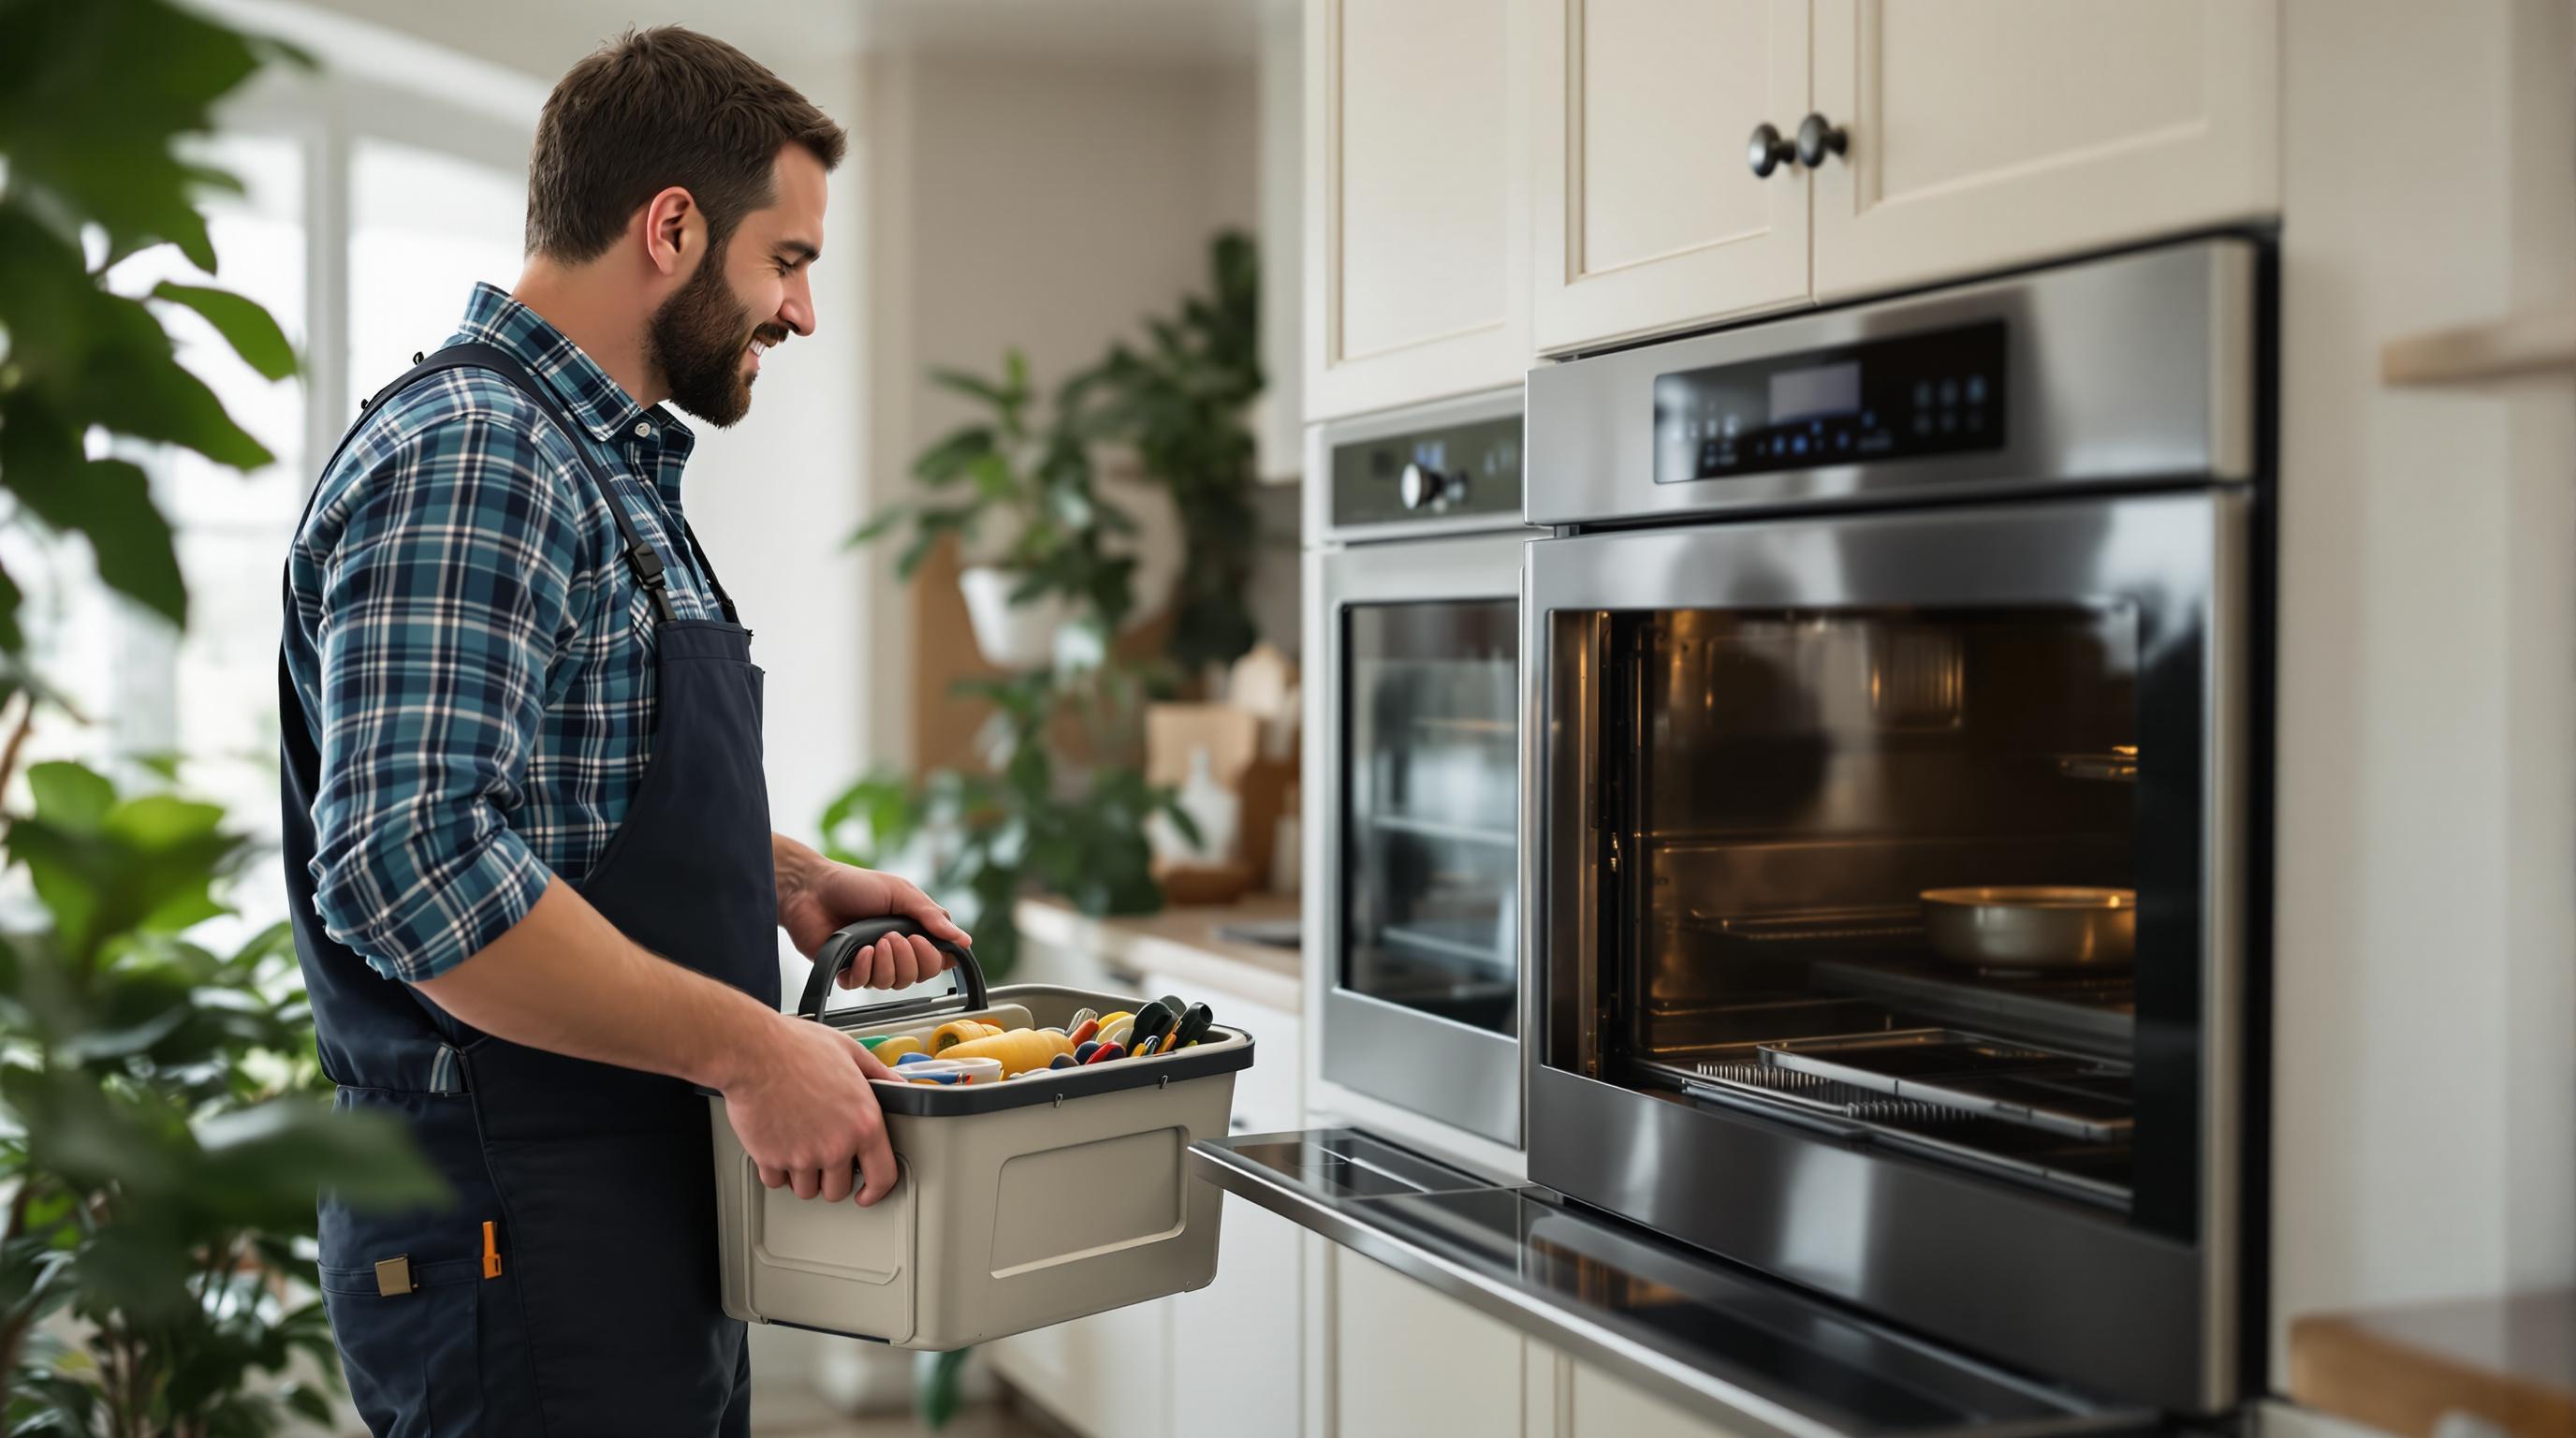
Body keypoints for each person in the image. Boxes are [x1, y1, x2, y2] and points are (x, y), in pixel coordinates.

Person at [277, 27, 961, 1435]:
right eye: (789, 260)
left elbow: (559, 788)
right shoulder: (480, 449)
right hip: (517, 1230)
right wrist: (757, 1053)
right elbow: (415, 866)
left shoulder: (598, 466)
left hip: (629, 1211)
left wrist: (781, 880)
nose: (802, 311)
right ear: (671, 228)